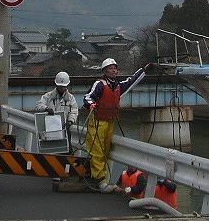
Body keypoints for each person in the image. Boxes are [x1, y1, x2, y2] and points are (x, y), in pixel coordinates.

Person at [84, 57, 148, 192]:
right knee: (97, 150)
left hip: (110, 122)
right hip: (98, 121)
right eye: (110, 68)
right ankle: (100, 179)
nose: (114, 70)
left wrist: (143, 70)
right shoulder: (100, 84)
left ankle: (102, 178)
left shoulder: (118, 86)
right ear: (105, 71)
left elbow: (131, 81)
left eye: (115, 68)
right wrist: (91, 105)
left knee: (106, 150)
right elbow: (88, 97)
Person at [37, 71, 80, 141]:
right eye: (60, 86)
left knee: (67, 150)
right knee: (50, 150)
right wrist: (46, 109)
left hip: (64, 129)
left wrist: (70, 121)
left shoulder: (71, 98)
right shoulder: (48, 96)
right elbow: (39, 105)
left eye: (63, 86)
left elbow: (74, 111)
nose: (62, 88)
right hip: (49, 129)